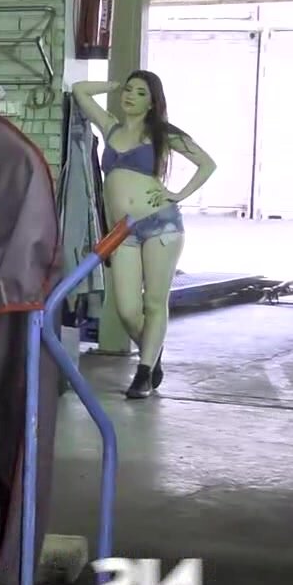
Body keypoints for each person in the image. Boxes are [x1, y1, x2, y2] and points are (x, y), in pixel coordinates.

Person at [70, 70, 216, 399]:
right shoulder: (110, 127)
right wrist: (114, 85)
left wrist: (178, 194)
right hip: (122, 230)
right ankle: (152, 353)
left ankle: (144, 371)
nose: (130, 96)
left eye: (140, 92)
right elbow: (80, 90)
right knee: (126, 308)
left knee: (154, 302)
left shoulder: (161, 133)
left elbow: (207, 164)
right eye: (129, 90)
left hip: (160, 224)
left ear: (152, 103)